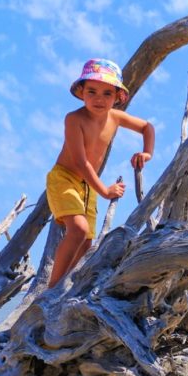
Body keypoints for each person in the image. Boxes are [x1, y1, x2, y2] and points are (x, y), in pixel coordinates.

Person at [46, 58, 154, 289]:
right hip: (64, 178)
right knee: (79, 229)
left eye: (107, 94)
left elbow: (147, 127)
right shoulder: (74, 119)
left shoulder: (115, 118)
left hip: (87, 185)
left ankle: (64, 284)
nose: (98, 99)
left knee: (86, 243)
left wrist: (147, 153)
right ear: (81, 92)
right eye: (92, 91)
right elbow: (80, 161)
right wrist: (105, 190)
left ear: (117, 97)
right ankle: (51, 289)